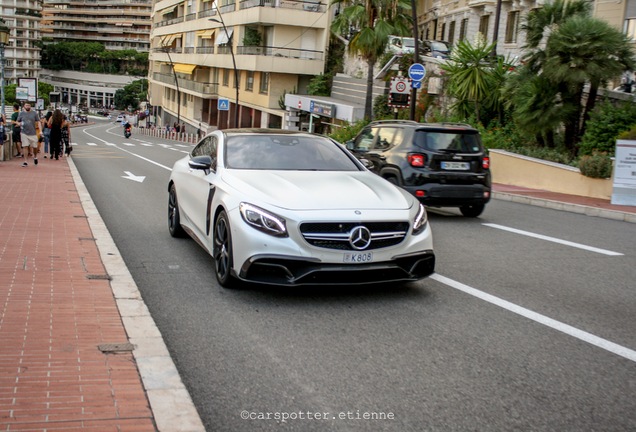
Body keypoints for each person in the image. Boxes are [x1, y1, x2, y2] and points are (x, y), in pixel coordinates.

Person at [17, 103, 41, 167]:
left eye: (29, 105)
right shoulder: (21, 113)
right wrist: (19, 124)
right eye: (26, 105)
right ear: (24, 106)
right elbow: (18, 121)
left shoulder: (34, 113)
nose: (28, 106)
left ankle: (35, 156)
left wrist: (40, 130)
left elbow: (38, 121)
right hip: (24, 132)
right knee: (25, 146)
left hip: (33, 133)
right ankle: (25, 161)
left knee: (35, 146)